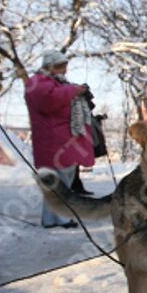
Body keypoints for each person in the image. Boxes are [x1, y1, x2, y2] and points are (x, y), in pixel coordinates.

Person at [24, 50, 95, 228]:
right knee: (59, 181)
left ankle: (52, 218)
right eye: (62, 66)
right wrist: (73, 91)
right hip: (53, 140)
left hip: (62, 140)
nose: (65, 70)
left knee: (59, 180)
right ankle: (60, 218)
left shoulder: (53, 82)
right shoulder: (37, 82)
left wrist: (78, 92)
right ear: (52, 65)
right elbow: (48, 101)